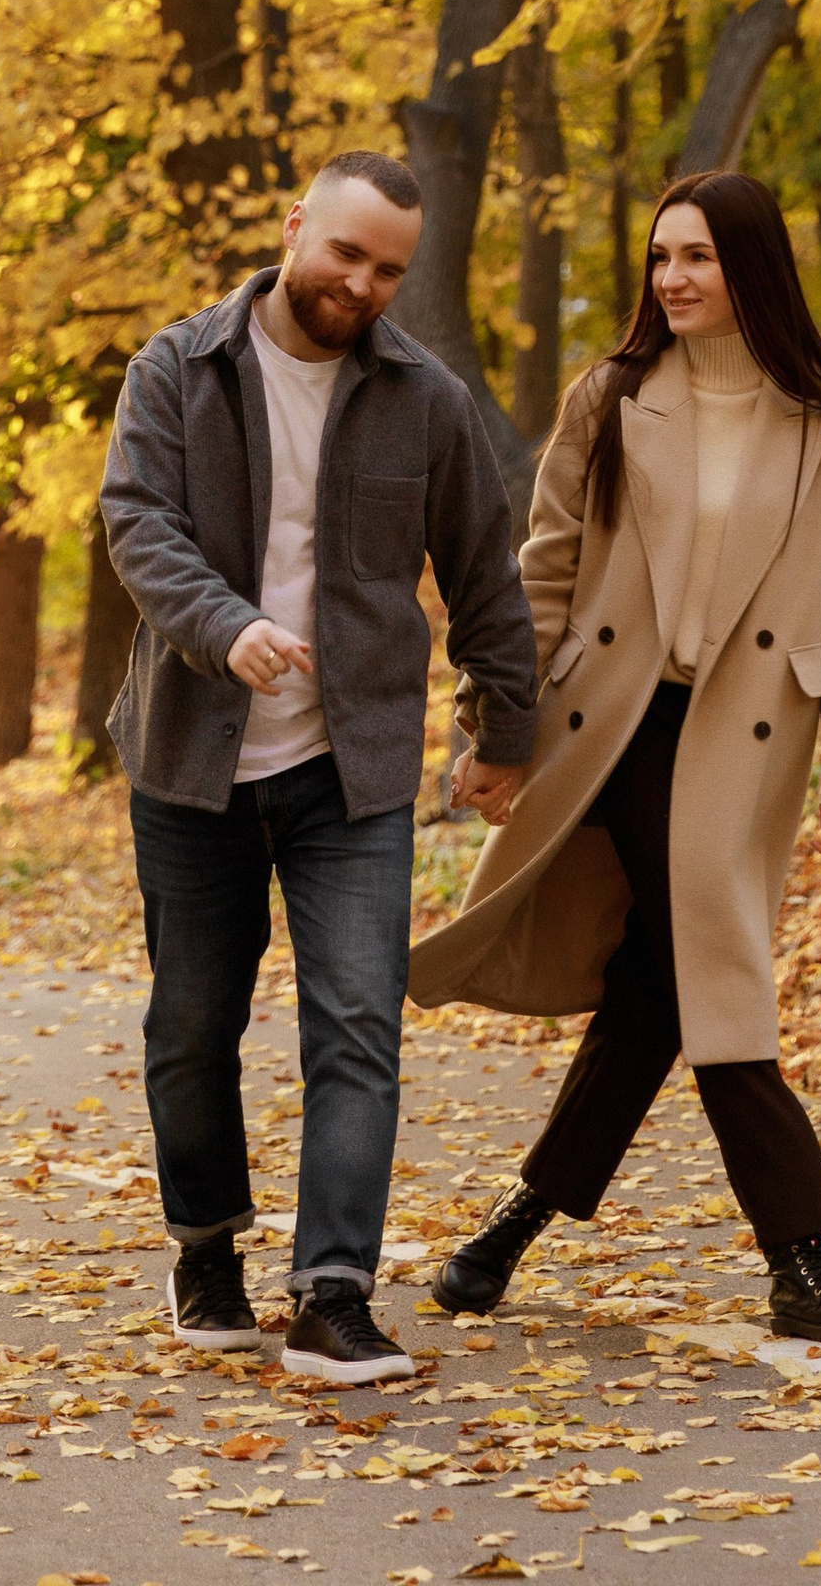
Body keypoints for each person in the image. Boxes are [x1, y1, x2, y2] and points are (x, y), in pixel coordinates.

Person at [411, 167, 821, 1344]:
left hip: (751, 733)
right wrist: (499, 731)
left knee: (659, 983)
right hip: (621, 723)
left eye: (698, 259)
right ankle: (803, 1260)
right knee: (708, 958)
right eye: (660, 259)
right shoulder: (612, 400)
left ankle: (507, 1230)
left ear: (753, 271)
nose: (673, 280)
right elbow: (543, 574)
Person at [101, 147, 539, 1383]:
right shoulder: (178, 369)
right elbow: (137, 522)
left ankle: (333, 1295)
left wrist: (503, 733)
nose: (362, 284)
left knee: (358, 1027)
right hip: (193, 763)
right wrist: (227, 626)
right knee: (192, 1027)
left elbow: (485, 578)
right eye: (345, 252)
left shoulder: (427, 402)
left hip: (351, 775)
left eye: (389, 268)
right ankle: (205, 1253)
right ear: (296, 229)